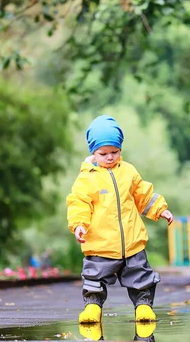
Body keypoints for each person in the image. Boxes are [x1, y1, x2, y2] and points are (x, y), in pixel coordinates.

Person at [67, 115, 174, 325]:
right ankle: (92, 307)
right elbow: (79, 203)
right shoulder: (87, 177)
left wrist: (161, 209)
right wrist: (79, 224)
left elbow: (142, 193)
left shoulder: (128, 171)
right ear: (93, 152)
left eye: (114, 152)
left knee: (141, 276)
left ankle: (143, 306)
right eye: (103, 153)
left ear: (120, 150)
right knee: (94, 278)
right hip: (100, 243)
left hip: (132, 241)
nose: (109, 157)